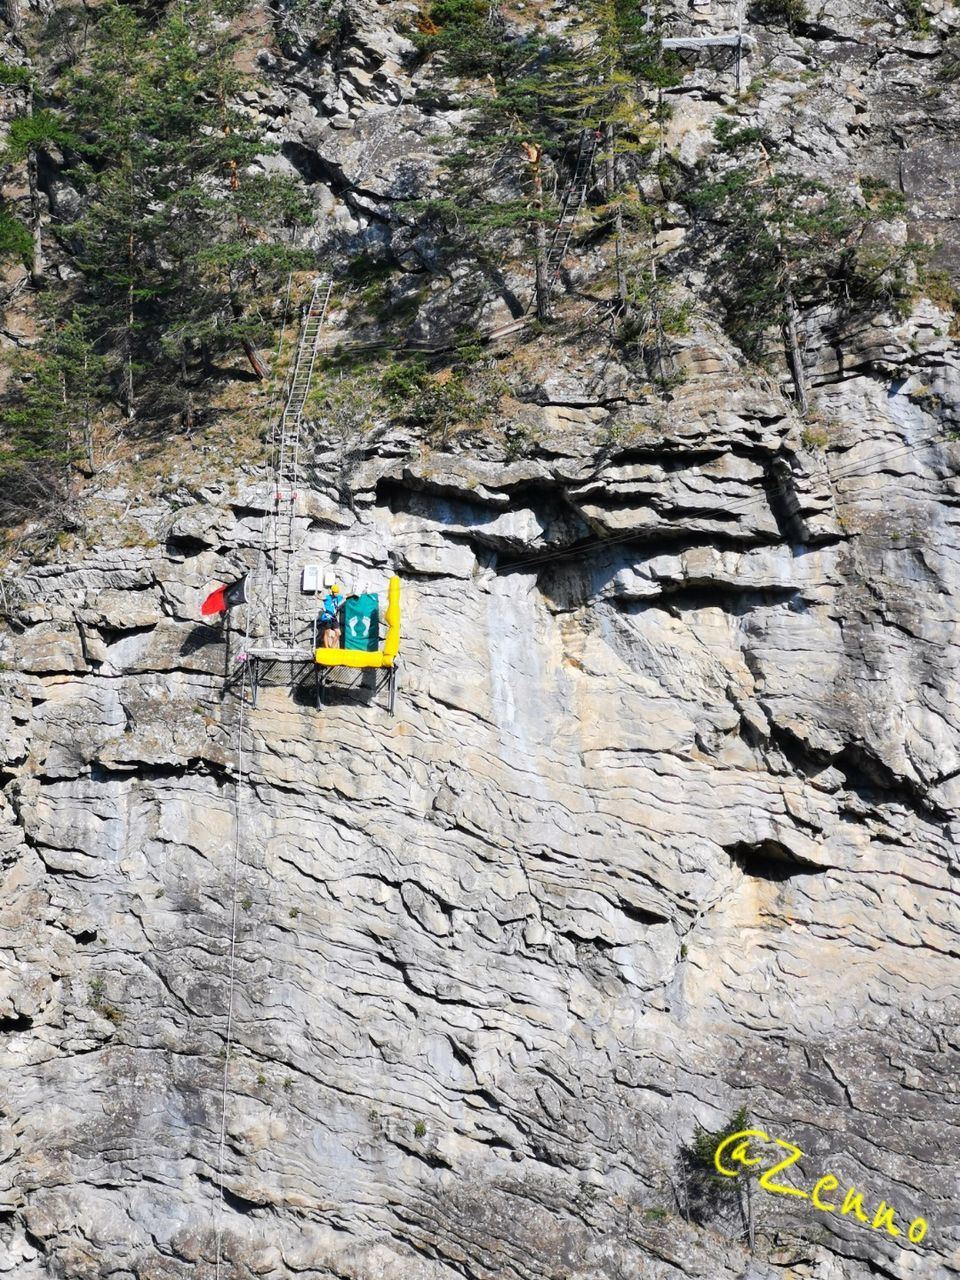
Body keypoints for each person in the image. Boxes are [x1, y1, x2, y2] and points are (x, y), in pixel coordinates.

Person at [319, 584, 342, 648]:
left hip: (334, 617)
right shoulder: (327, 597)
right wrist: (316, 595)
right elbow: (320, 597)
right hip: (328, 616)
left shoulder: (338, 597)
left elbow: (346, 596)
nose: (336, 594)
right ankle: (327, 648)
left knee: (338, 633)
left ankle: (332, 647)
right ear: (332, 592)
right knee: (327, 632)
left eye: (337, 592)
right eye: (335, 592)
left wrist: (353, 593)